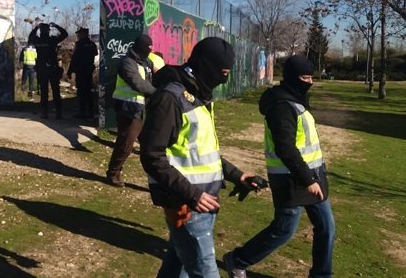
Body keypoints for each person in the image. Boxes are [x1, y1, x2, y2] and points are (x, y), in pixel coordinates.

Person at [139, 37, 265, 277]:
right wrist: (192, 194)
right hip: (187, 206)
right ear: (204, 66)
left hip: (205, 202)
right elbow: (151, 155)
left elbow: (200, 152)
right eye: (221, 73)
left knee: (177, 268)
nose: (223, 79)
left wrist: (237, 175)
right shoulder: (170, 98)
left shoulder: (199, 95)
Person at [223, 55, 335, 278]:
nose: (309, 81)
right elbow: (286, 149)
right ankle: (237, 260)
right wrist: (308, 180)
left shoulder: (296, 101)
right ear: (293, 78)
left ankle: (322, 275)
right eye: (305, 77)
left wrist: (315, 176)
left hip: (313, 175)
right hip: (291, 179)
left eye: (312, 76)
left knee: (326, 227)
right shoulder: (282, 106)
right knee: (284, 229)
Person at [106, 34, 156, 187]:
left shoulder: (146, 61)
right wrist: (158, 92)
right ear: (141, 47)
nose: (150, 49)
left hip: (142, 109)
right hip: (129, 109)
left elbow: (154, 74)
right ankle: (113, 173)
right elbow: (137, 83)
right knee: (126, 144)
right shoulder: (127, 62)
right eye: (148, 47)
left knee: (151, 145)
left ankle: (158, 178)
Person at [27, 21, 68, 119]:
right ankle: (58, 113)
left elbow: (30, 38)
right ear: (49, 31)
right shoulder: (52, 40)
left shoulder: (37, 40)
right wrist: (56, 25)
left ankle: (45, 113)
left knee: (44, 92)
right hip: (52, 68)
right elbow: (65, 34)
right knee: (56, 91)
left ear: (40, 31)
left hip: (42, 69)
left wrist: (36, 27)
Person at [67, 27, 98, 119]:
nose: (78, 36)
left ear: (84, 34)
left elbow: (75, 58)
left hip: (80, 70)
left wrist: (70, 71)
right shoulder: (92, 44)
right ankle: (91, 112)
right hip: (88, 71)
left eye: (79, 34)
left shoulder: (79, 44)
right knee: (88, 92)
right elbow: (95, 54)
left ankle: (82, 112)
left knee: (81, 91)